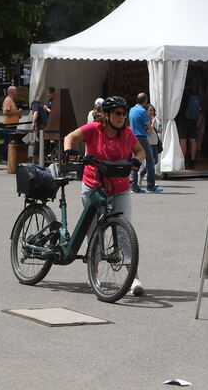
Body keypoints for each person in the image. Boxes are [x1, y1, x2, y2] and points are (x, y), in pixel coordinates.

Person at [63, 96, 147, 295]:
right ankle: (95, 275)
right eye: (117, 113)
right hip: (94, 187)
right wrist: (68, 151)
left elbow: (140, 151)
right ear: (107, 115)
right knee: (95, 234)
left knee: (124, 233)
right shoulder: (94, 129)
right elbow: (70, 137)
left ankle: (134, 279)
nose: (121, 117)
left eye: (123, 113)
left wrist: (136, 161)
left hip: (121, 188)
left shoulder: (126, 133)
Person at [129, 93, 159, 192]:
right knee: (151, 160)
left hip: (133, 137)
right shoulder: (142, 111)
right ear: (145, 101)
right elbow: (149, 128)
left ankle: (133, 185)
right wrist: (152, 124)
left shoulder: (132, 109)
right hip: (141, 137)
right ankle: (151, 186)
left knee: (136, 160)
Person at [176, 87, 201, 169]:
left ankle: (183, 161)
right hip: (193, 120)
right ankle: (192, 161)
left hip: (183, 119)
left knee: (183, 140)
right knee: (193, 140)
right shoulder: (194, 94)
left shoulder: (181, 95)